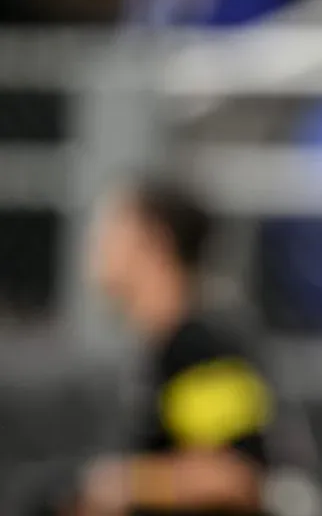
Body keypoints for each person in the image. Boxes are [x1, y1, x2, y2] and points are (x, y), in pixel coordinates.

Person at [71, 175, 273, 516]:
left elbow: (231, 476)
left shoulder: (201, 349)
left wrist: (122, 484)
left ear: (154, 241)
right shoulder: (160, 347)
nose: (96, 243)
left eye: (112, 228)